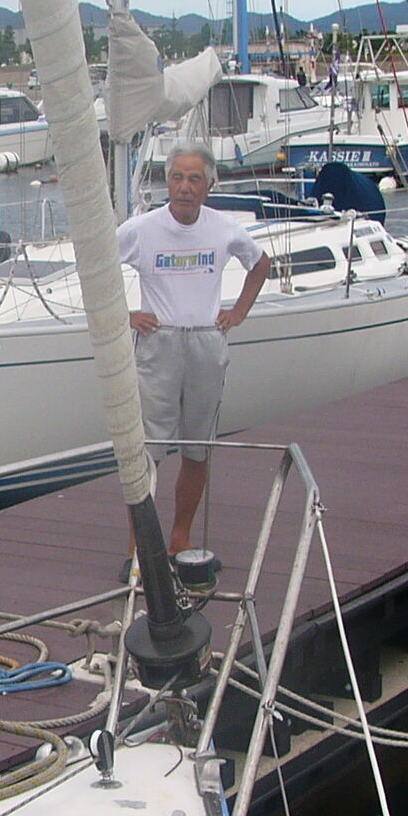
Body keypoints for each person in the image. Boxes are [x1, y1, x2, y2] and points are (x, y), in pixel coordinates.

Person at [116, 145, 272, 558]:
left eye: (194, 179)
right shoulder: (141, 229)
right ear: (167, 182)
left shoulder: (224, 228)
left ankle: (179, 538)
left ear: (208, 186)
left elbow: (261, 264)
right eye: (177, 178)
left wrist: (238, 312)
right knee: (148, 450)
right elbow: (96, 267)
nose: (184, 187)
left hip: (206, 341)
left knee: (198, 447)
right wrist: (126, 315)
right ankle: (138, 548)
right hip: (159, 342)